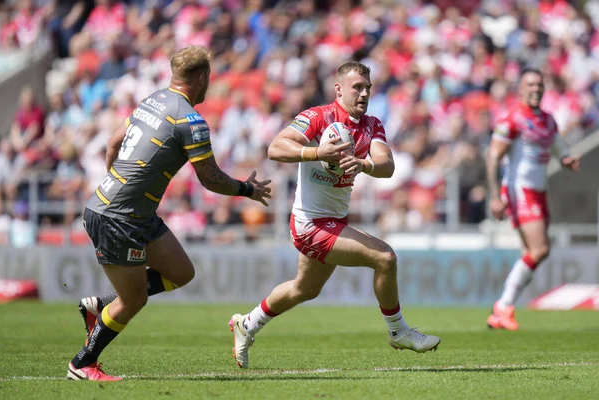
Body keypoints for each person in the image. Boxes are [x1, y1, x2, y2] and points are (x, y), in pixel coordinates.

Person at [67, 45, 271, 381]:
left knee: (181, 271)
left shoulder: (154, 100)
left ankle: (101, 305)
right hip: (120, 217)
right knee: (132, 302)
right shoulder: (191, 121)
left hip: (129, 211)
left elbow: (113, 143)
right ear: (203, 78)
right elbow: (210, 179)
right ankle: (82, 363)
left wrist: (114, 182)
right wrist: (247, 189)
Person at [228, 61, 441, 369]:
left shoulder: (372, 125)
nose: (364, 93)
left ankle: (247, 324)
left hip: (334, 221)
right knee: (385, 258)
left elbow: (387, 164)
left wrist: (365, 164)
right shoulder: (318, 117)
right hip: (310, 223)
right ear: (338, 89)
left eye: (368, 87)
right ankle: (398, 331)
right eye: (357, 87)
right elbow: (275, 148)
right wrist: (317, 153)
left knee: (305, 289)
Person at [486, 67, 580, 330]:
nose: (535, 89)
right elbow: (493, 155)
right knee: (540, 249)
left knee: (533, 252)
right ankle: (503, 307)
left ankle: (501, 311)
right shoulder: (512, 119)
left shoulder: (548, 120)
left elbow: (558, 145)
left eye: (539, 85)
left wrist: (567, 159)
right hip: (519, 191)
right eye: (530, 85)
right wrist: (496, 196)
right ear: (521, 89)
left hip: (539, 191)